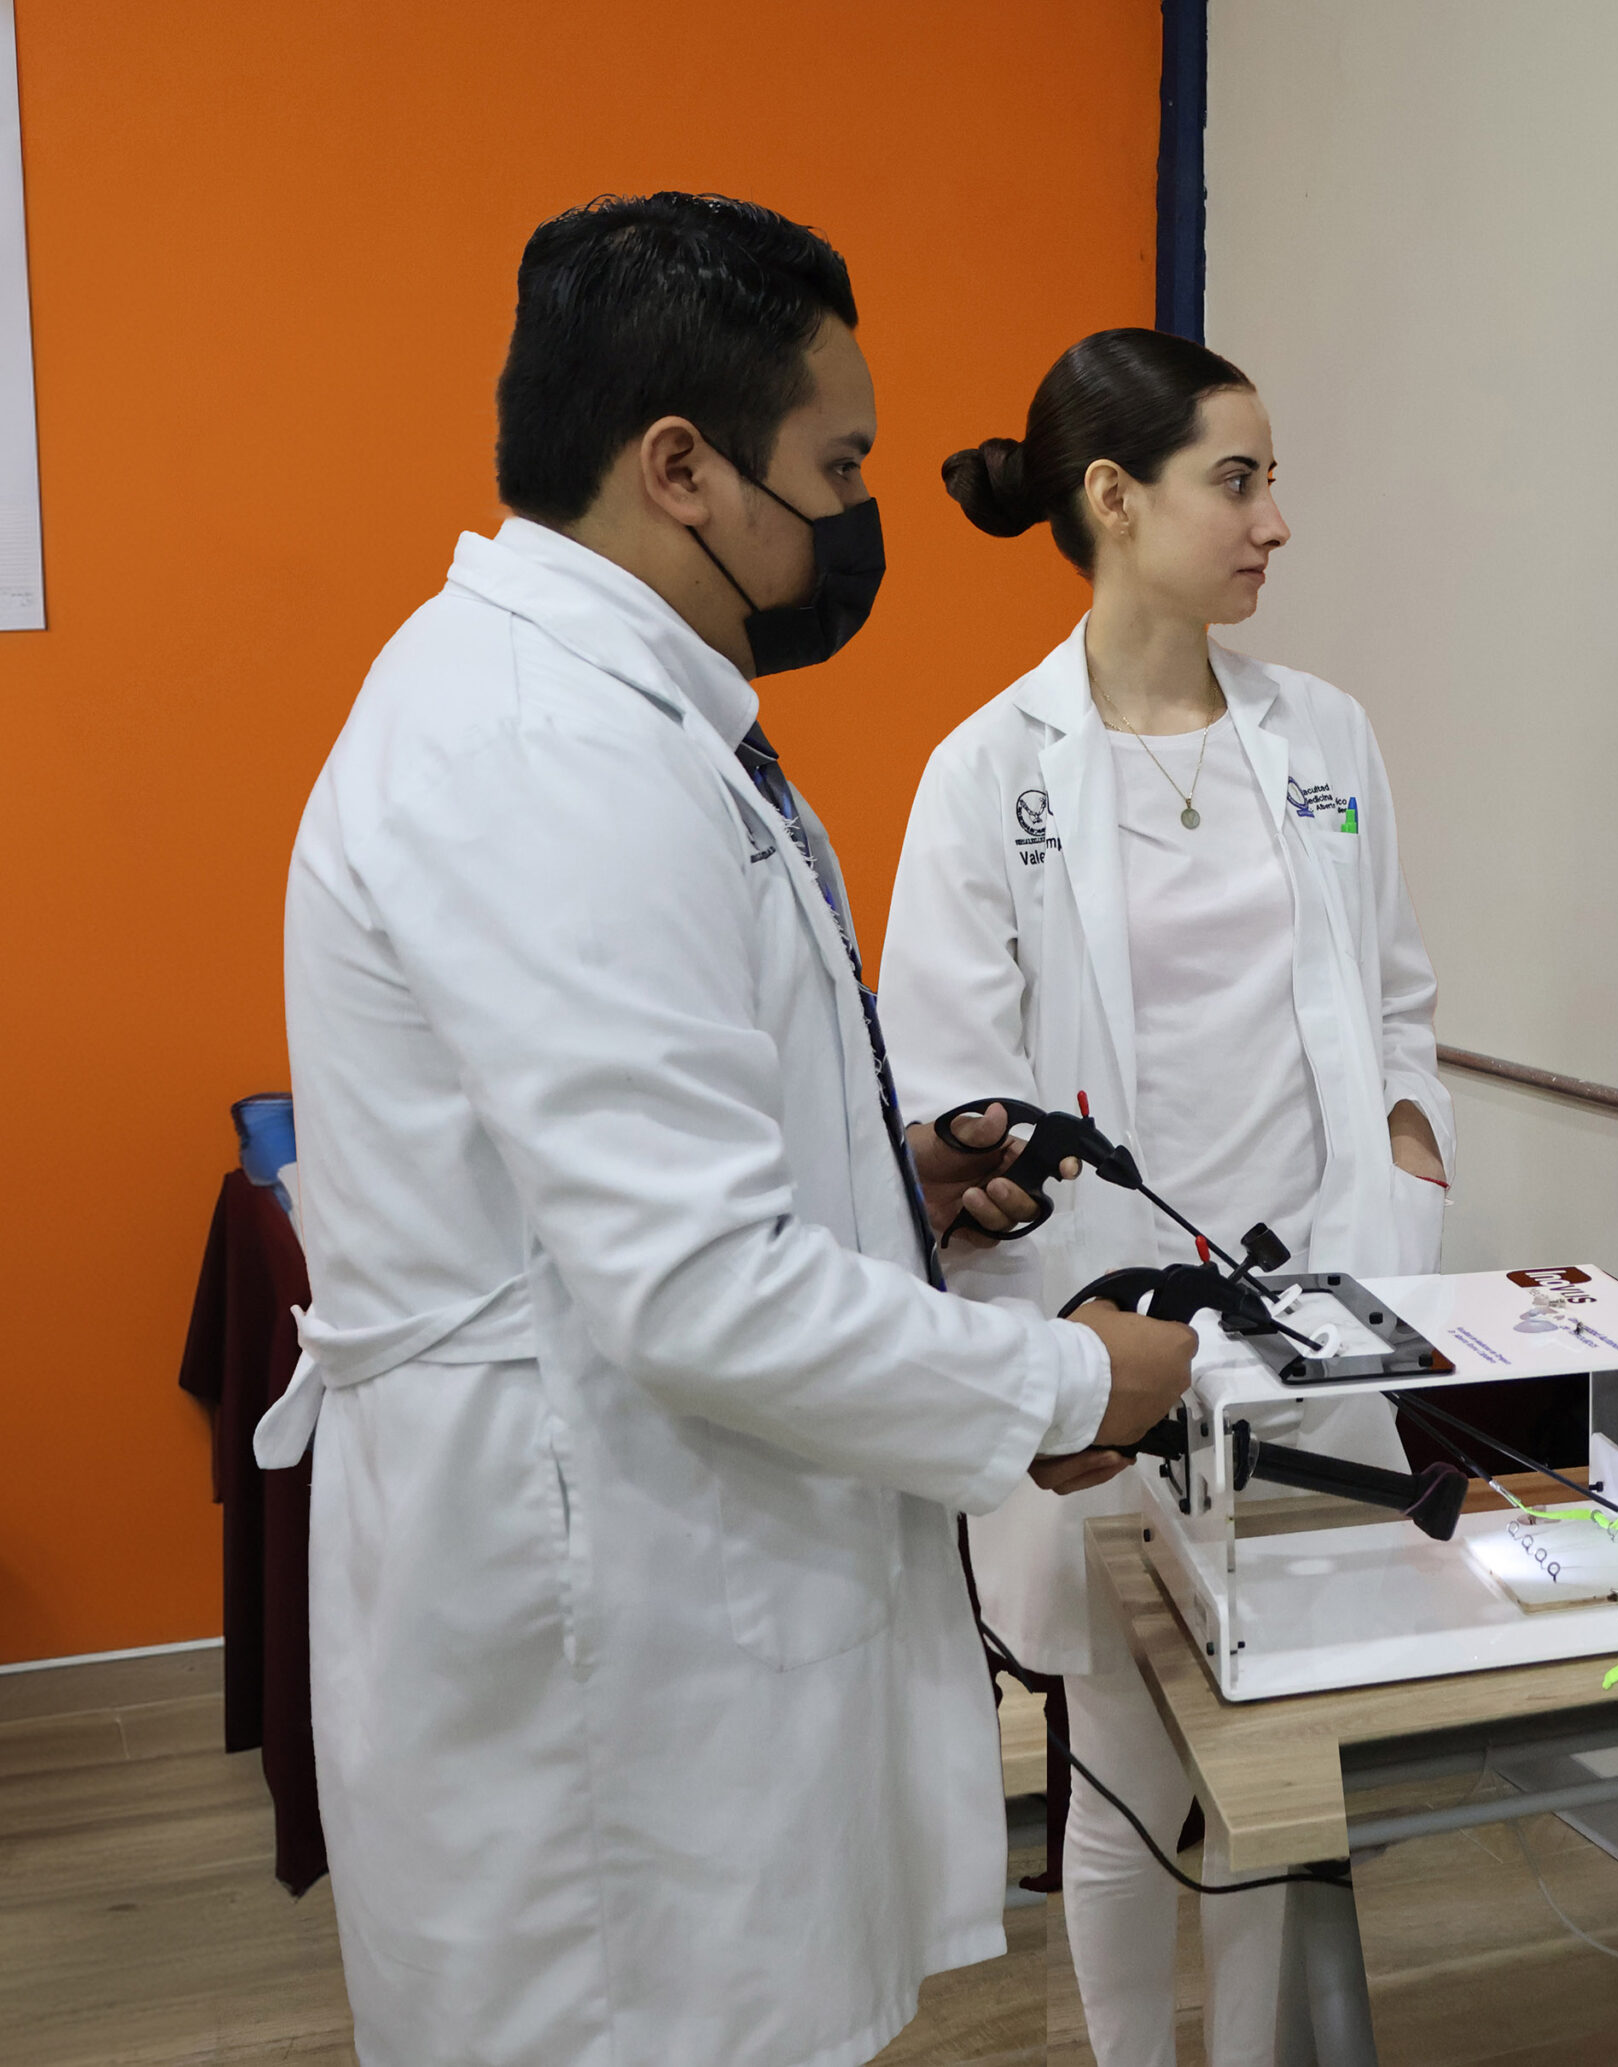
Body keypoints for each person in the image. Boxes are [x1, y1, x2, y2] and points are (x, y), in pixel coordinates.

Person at [254, 196, 1197, 2067]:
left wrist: (882, 1176)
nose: (858, 516)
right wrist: (1069, 1385)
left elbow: (632, 1150)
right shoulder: (543, 749)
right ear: (679, 467)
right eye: (835, 468)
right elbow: (688, 1284)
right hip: (589, 1600)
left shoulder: (624, 716)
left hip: (654, 1540)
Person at [878, 328, 1453, 2067]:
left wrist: (1407, 1172)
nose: (1276, 520)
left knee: (1280, 1762)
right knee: (1128, 1768)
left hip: (1319, 1321)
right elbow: (947, 1083)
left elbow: (1397, 997)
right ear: (1115, 499)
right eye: (1239, 480)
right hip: (1109, 1335)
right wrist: (1053, 1325)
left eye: (1273, 481)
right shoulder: (991, 769)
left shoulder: (1324, 734)